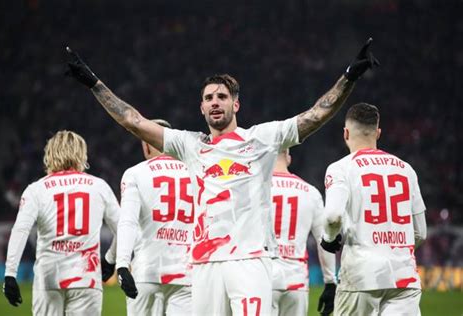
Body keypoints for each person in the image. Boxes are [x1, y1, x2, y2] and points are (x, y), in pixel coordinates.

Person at [65, 38, 379, 315]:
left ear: (235, 104)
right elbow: (134, 121)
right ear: (201, 108)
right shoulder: (189, 145)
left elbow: (316, 115)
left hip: (250, 260)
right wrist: (94, 83)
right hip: (202, 264)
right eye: (209, 98)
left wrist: (349, 77)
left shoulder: (261, 138)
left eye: (222, 96)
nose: (215, 101)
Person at [320, 103, 427, 315]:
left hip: (361, 275)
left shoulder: (341, 168)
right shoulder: (406, 170)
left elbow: (333, 217)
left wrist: (329, 239)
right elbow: (421, 232)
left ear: (346, 133)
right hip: (404, 278)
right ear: (378, 133)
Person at [3, 130, 120, 316]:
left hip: (48, 277)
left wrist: (10, 274)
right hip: (86, 278)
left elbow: (20, 230)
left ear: (50, 153)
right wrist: (110, 259)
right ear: (81, 153)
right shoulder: (99, 186)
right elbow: (123, 229)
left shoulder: (36, 189)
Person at [116, 119, 194, 316]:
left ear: (146, 143)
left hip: (146, 272)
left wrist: (122, 264)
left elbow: (128, 221)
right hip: (187, 274)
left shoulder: (135, 173)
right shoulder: (195, 171)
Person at [270, 150, 336, 316]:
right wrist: (330, 282)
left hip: (263, 277)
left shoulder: (254, 188)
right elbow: (325, 239)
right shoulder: (310, 192)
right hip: (296, 280)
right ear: (288, 158)